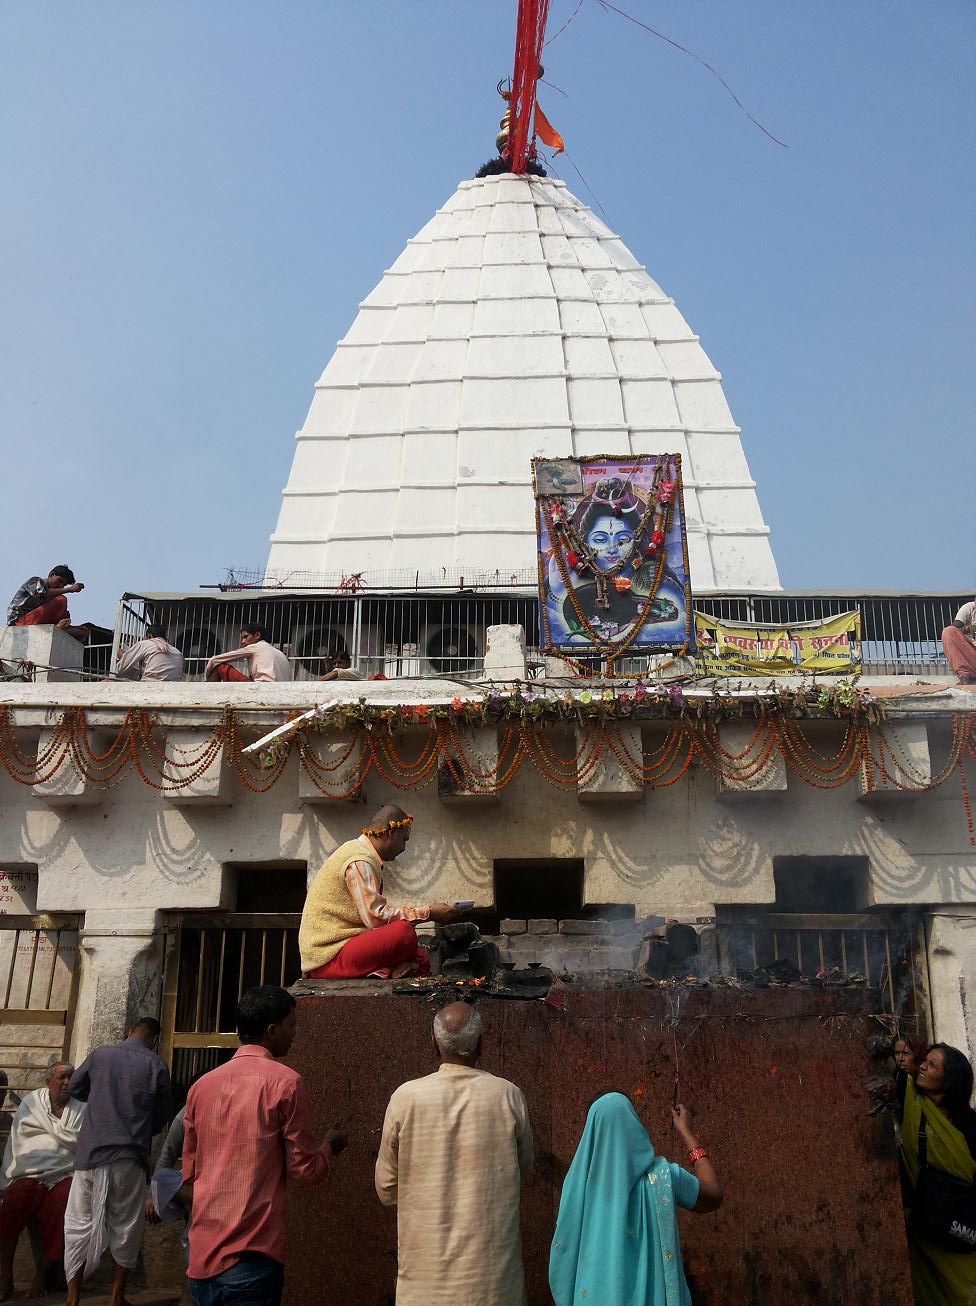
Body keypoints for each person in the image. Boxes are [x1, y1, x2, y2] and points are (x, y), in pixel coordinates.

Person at [183, 985, 347, 1306]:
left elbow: (188, 1174)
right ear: (272, 1031)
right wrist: (329, 1147)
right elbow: (304, 1171)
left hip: (201, 1258)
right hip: (251, 1259)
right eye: (292, 1026)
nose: (295, 1034)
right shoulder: (286, 1083)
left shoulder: (201, 1087)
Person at [375, 1003, 533, 1306]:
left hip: (424, 1288)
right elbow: (522, 1168)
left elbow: (386, 1189)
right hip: (494, 1287)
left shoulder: (405, 1098)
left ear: (434, 1044)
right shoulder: (508, 1095)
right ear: (481, 1044)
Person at [549, 1092, 723, 1306]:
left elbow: (562, 1256)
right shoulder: (664, 1177)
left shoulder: (577, 1187)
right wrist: (687, 1132)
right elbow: (714, 1194)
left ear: (591, 1135)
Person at [64, 1017, 172, 1306]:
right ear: (155, 1040)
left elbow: (74, 1088)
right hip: (130, 1157)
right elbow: (162, 1116)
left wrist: (100, 1099)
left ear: (130, 1031)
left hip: (91, 1155)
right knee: (126, 1227)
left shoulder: (101, 1054)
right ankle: (117, 1297)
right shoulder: (157, 1065)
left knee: (78, 1224)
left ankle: (72, 1298)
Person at [299, 805, 456, 980]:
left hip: (340, 951)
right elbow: (376, 919)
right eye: (404, 839)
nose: (404, 848)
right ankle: (387, 970)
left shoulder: (358, 852)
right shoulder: (360, 860)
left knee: (422, 958)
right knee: (404, 933)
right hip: (328, 958)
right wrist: (429, 913)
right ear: (391, 832)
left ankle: (384, 971)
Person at [899, 1043, 976, 1305]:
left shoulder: (970, 1127)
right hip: (921, 1230)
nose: (922, 1066)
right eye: (925, 1061)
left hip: (958, 1234)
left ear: (948, 1080)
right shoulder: (908, 1100)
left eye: (932, 1065)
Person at [0, 1062, 85, 1301]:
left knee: (63, 1207)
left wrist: (54, 1132)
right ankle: (5, 1276)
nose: (67, 1082)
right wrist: (5, 1177)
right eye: (62, 1077)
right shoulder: (32, 1103)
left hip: (64, 1172)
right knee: (12, 1204)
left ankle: (42, 1274)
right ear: (48, 1082)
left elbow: (80, 1142)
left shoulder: (82, 1107)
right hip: (30, 1171)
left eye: (71, 1077)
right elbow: (19, 1139)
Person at [6, 566, 87, 641]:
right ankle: (56, 629)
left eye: (64, 585)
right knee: (61, 600)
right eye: (59, 581)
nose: (60, 585)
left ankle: (57, 629)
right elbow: (42, 593)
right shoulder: (34, 581)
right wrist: (69, 589)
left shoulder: (52, 596)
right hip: (19, 623)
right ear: (51, 574)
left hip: (39, 624)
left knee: (83, 631)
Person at [203, 624, 292, 683]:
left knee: (220, 666)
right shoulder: (279, 653)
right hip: (279, 690)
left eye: (245, 637)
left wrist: (206, 679)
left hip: (261, 687)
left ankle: (206, 693)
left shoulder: (256, 647)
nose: (243, 641)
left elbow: (214, 660)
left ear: (257, 635)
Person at [115, 623, 184, 681]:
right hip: (174, 686)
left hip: (149, 684)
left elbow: (121, 669)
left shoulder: (144, 644)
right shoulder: (177, 652)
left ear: (149, 635)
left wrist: (122, 657)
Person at [942, 598, 976, 685]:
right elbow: (955, 629)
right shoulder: (968, 608)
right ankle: (965, 676)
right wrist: (967, 628)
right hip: (972, 656)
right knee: (948, 631)